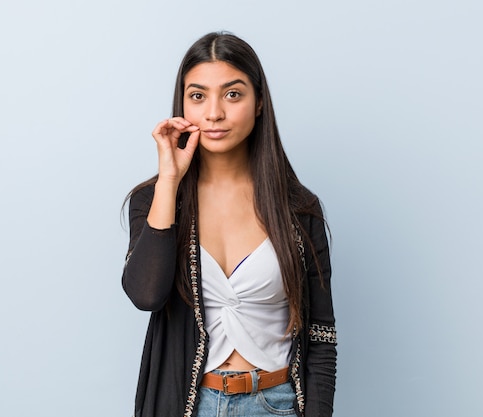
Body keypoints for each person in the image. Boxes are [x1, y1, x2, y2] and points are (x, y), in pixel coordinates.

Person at [122, 32, 337, 417]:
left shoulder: (299, 209)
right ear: (182, 104)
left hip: (277, 404)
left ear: (258, 104)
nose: (214, 113)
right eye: (198, 96)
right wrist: (169, 181)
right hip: (188, 406)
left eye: (233, 94)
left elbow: (322, 337)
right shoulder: (155, 201)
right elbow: (146, 296)